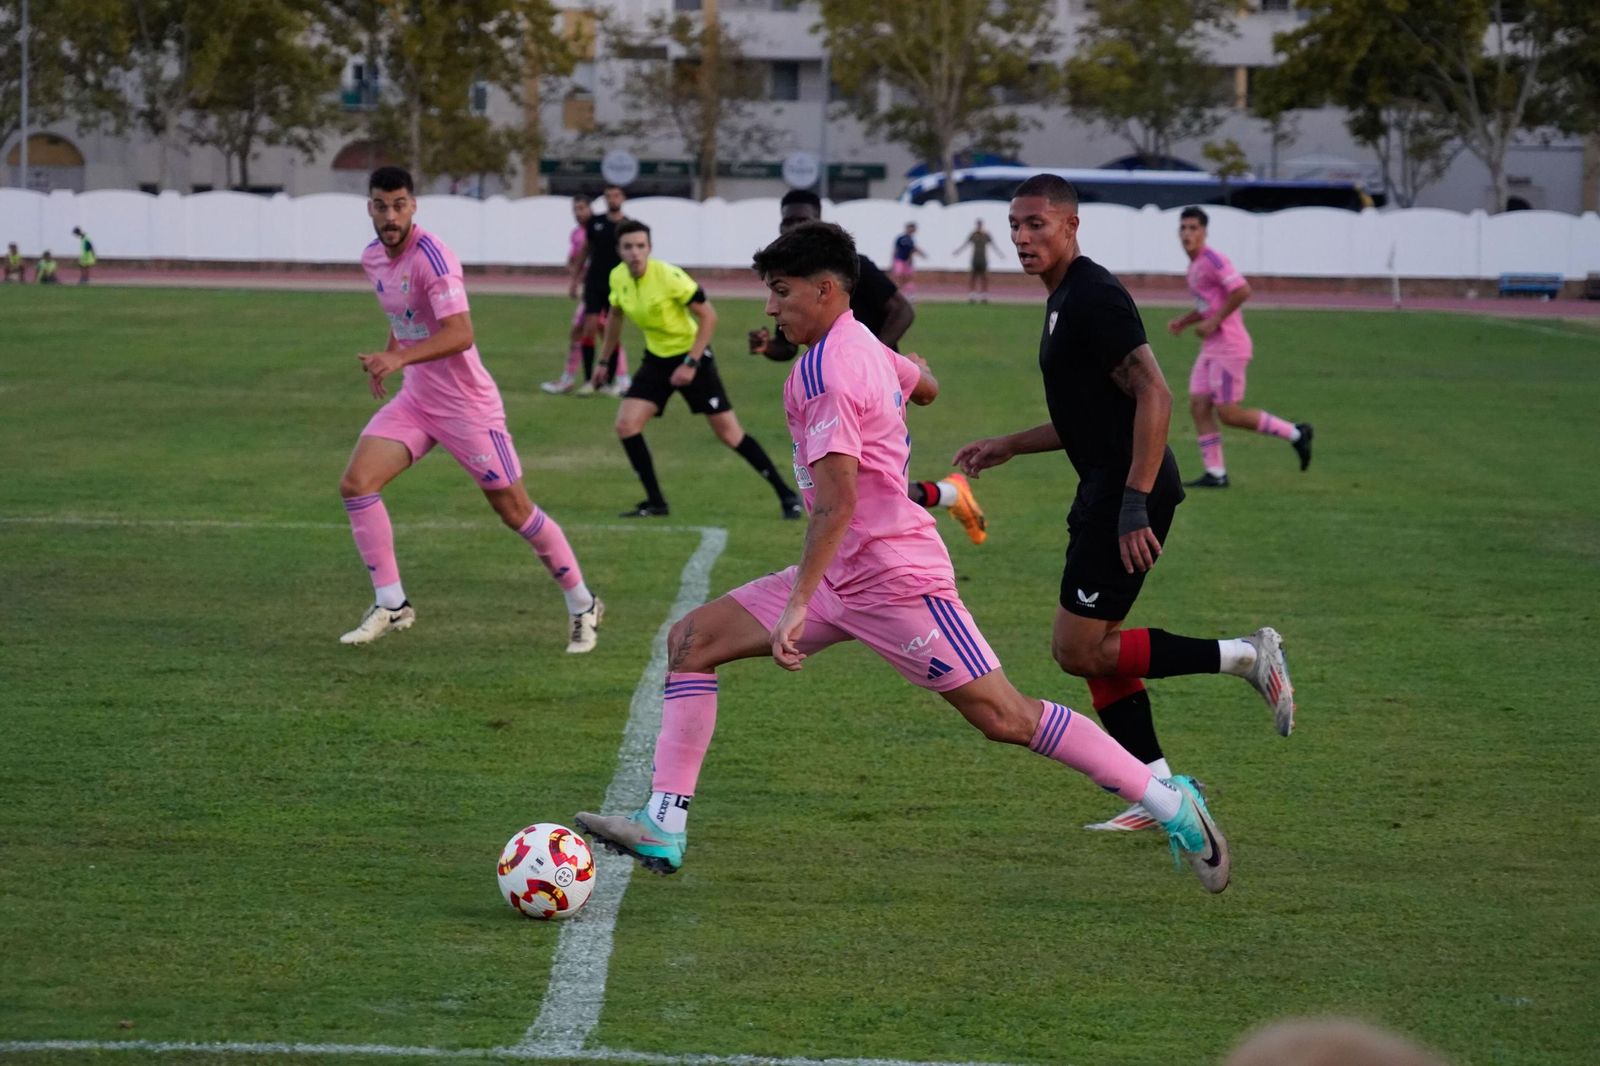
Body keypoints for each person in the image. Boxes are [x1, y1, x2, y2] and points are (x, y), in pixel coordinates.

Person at [576, 220, 1230, 894]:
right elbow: (926, 385)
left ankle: (1171, 803)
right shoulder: (858, 339)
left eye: (781, 292)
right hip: (844, 570)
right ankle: (663, 821)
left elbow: (837, 503)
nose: (771, 308)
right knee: (691, 640)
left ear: (826, 290)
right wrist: (907, 385)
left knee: (1005, 716)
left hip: (894, 578)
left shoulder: (830, 370)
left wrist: (796, 604)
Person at [953, 174, 1296, 833]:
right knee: (1089, 648)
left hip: (1124, 491)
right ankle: (1162, 791)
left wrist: (1134, 503)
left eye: (1037, 224)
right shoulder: (1063, 299)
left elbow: (1156, 394)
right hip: (1106, 487)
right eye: (1015, 225)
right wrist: (1011, 445)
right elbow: (1090, 416)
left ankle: (1247, 658)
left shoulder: (1093, 295)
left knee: (1079, 650)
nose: (1022, 237)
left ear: (1071, 225)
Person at [338, 166, 603, 653]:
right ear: (369, 209)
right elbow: (404, 316)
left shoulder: (434, 258)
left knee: (515, 510)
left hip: (466, 406)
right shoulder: (373, 257)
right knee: (357, 485)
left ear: (413, 205)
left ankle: (582, 602)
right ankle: (392, 602)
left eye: (399, 204)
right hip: (417, 398)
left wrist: (397, 357)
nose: (390, 215)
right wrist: (390, 357)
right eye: (381, 205)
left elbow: (460, 333)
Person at [748, 189, 988, 545]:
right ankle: (948, 494)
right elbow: (787, 348)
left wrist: (872, 358)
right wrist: (768, 348)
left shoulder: (852, 268)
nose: (793, 227)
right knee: (863, 484)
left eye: (802, 220)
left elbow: (903, 310)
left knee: (857, 487)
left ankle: (864, 564)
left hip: (869, 386)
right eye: (787, 221)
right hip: (829, 386)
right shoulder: (789, 283)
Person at [598, 219, 801, 521]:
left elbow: (708, 316)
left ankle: (787, 495)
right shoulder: (617, 278)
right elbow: (615, 316)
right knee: (627, 425)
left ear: (650, 248)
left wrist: (690, 363)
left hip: (693, 356)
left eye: (641, 246)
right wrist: (604, 362)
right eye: (628, 247)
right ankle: (656, 503)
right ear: (619, 250)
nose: (635, 253)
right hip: (656, 360)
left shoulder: (669, 276)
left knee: (730, 434)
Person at [1167, 206, 1312, 487]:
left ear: (1204, 232)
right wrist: (1184, 322)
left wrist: (1215, 321)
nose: (1187, 233)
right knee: (1198, 405)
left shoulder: (1213, 259)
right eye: (1183, 228)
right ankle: (1216, 474)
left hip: (1230, 347)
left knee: (1229, 413)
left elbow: (1242, 290)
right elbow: (1208, 305)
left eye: (1193, 228)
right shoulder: (1194, 266)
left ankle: (1296, 433)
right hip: (1211, 346)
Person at [543, 195, 628, 396]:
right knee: (586, 331)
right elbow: (574, 257)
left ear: (591, 209)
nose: (578, 213)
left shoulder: (598, 229)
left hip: (602, 288)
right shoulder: (577, 233)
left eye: (582, 208)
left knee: (601, 331)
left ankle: (617, 379)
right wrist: (574, 275)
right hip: (591, 290)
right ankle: (573, 378)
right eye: (575, 209)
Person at [574, 184, 630, 395]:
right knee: (588, 328)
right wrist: (574, 279)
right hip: (594, 283)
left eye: (615, 195)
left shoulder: (628, 226)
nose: (612, 199)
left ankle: (609, 382)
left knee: (611, 332)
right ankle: (589, 380)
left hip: (617, 286)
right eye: (607, 196)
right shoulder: (595, 223)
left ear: (622, 197)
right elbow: (584, 252)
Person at [953, 219, 997, 302]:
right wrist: (957, 251)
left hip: (983, 259)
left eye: (980, 225)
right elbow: (965, 244)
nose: (979, 226)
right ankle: (972, 295)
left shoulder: (986, 235)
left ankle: (984, 296)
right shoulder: (973, 234)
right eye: (978, 225)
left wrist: (1000, 254)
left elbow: (993, 245)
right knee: (973, 277)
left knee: (984, 277)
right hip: (975, 259)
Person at [889, 221, 925, 299]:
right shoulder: (901, 238)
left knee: (908, 277)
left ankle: (908, 293)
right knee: (898, 277)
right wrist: (893, 262)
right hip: (900, 260)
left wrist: (921, 254)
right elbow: (895, 250)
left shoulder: (911, 240)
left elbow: (912, 250)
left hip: (907, 262)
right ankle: (896, 294)